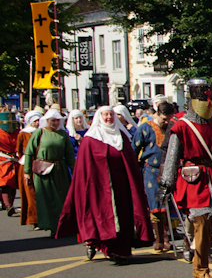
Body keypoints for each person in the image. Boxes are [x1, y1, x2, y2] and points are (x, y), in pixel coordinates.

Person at [159, 78, 212, 278]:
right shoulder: (181, 126)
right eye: (202, 94)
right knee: (201, 222)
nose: (206, 100)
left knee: (209, 226)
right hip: (193, 179)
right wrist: (166, 182)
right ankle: (201, 270)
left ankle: (201, 263)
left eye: (208, 94)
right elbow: (172, 156)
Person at [56, 106, 154, 262]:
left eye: (111, 115)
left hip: (122, 184)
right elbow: (84, 168)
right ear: (99, 117)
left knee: (122, 217)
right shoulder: (90, 139)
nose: (109, 117)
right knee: (104, 216)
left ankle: (121, 249)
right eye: (106, 115)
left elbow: (130, 161)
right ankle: (103, 245)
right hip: (100, 186)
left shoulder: (122, 136)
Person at [132, 101, 176, 253]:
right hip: (151, 170)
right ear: (157, 113)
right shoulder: (145, 128)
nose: (166, 121)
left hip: (169, 170)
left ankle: (167, 238)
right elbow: (134, 148)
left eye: (169, 118)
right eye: (164, 118)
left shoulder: (172, 127)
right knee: (155, 205)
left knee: (168, 204)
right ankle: (159, 239)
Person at [23, 110, 75, 232]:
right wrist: (27, 172)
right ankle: (50, 225)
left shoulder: (63, 134)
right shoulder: (39, 133)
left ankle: (61, 225)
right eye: (52, 121)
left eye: (57, 121)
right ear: (46, 121)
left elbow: (69, 154)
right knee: (46, 198)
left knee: (61, 198)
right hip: (43, 171)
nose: (55, 123)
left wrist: (74, 170)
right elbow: (29, 152)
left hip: (59, 171)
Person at [17, 111, 41, 227]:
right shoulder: (23, 133)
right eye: (34, 121)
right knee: (30, 192)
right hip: (26, 163)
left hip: (39, 163)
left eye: (38, 121)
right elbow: (19, 150)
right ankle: (33, 219)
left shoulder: (41, 132)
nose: (37, 123)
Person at [0, 110, 19, 216]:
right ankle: (8, 205)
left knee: (13, 184)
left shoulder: (17, 133)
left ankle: (8, 204)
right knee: (5, 183)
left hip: (14, 159)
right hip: (3, 160)